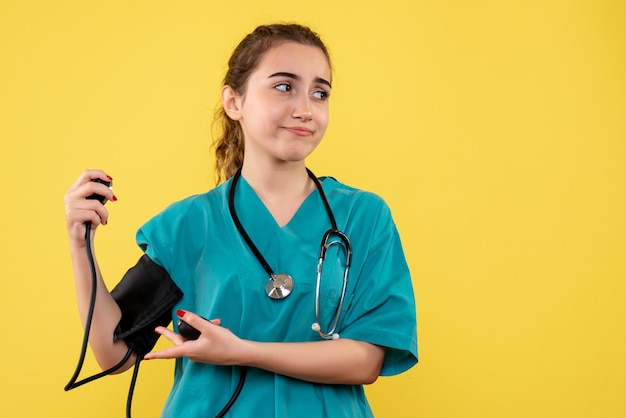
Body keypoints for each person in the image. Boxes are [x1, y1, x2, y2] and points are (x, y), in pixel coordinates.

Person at [64, 23, 417, 418]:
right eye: (284, 86)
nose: (306, 108)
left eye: (320, 93)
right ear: (234, 102)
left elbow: (366, 360)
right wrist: (81, 245)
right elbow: (115, 354)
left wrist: (242, 351)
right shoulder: (188, 225)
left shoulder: (363, 217)